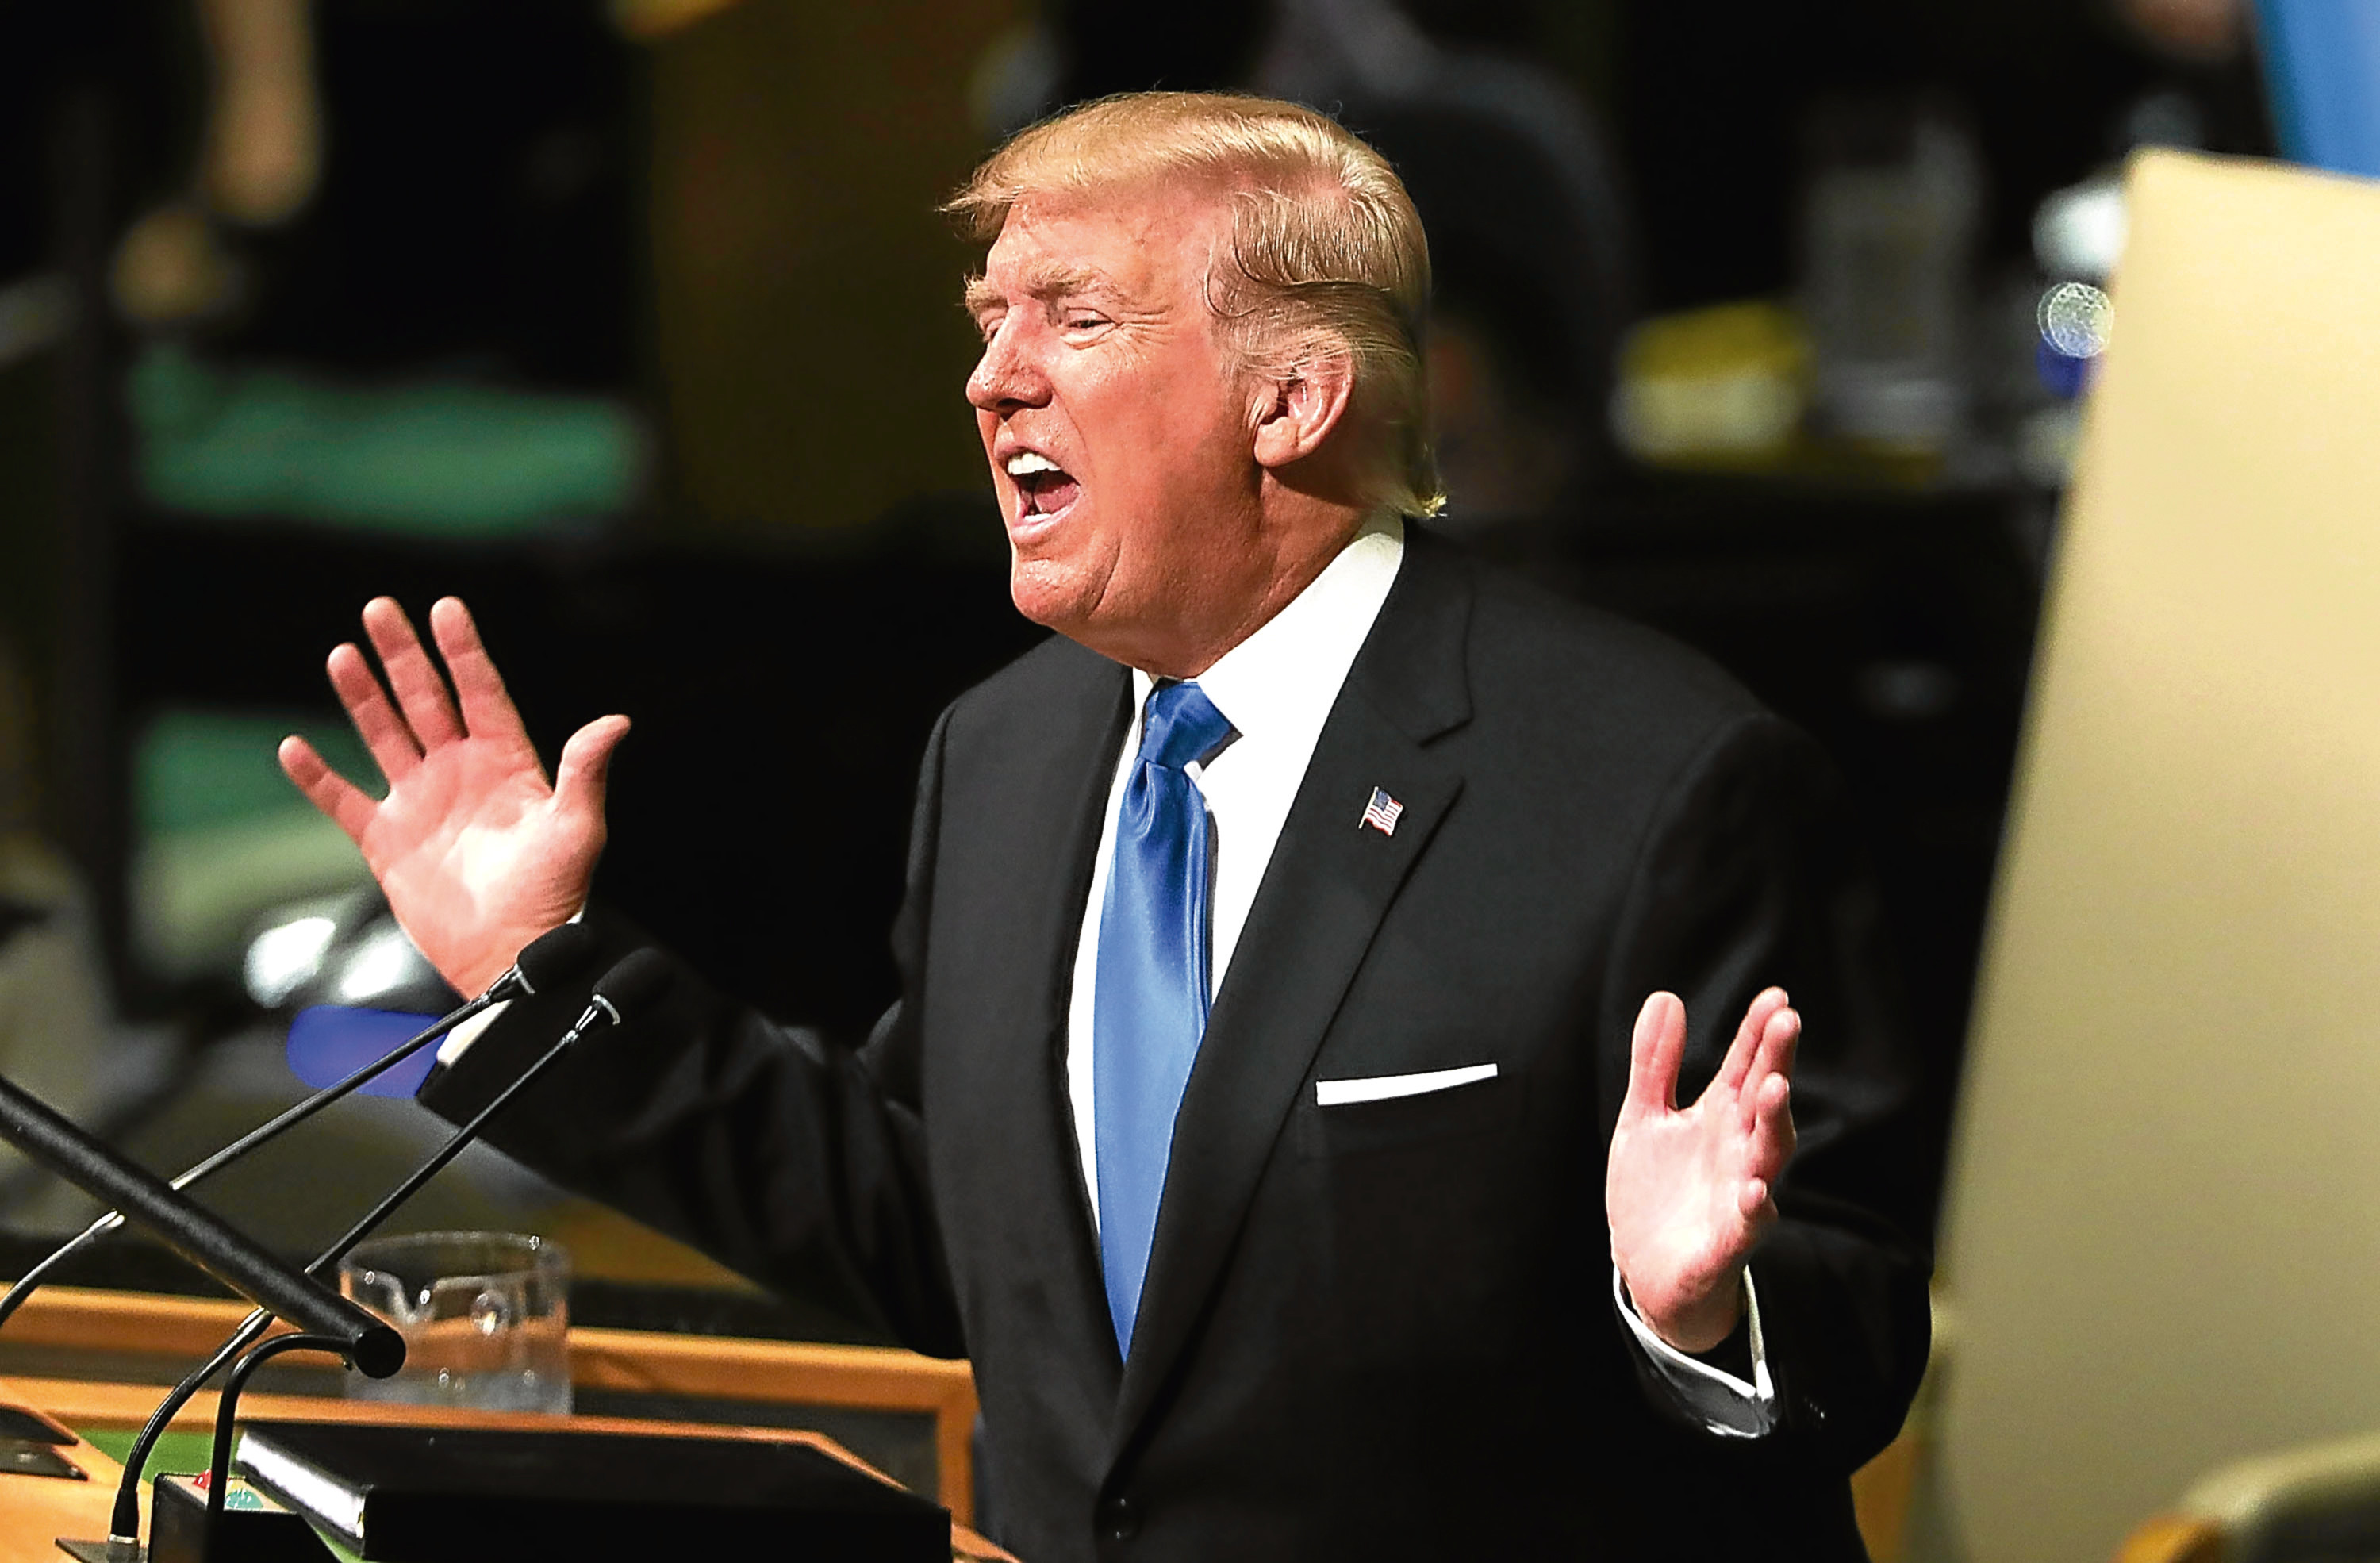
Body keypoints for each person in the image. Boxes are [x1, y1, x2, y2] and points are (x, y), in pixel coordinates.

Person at [278, 93, 1929, 1561]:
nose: (994, 379)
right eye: (989, 320)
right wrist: (537, 965)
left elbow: (1848, 1329)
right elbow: (952, 1230)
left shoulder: (1657, 779)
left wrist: (1699, 1306)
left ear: (1290, 399)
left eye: (1073, 318)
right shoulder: (1002, 753)